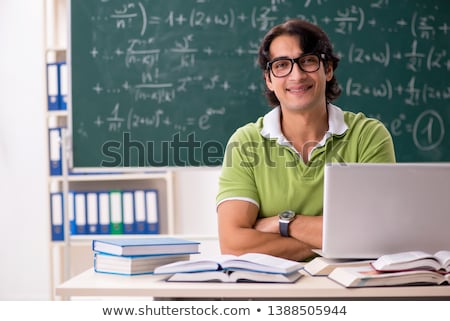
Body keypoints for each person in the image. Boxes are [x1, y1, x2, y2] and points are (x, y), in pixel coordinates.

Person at [216, 19, 396, 262]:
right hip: (271, 294)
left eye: (308, 61)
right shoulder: (245, 143)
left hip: (351, 292)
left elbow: (376, 236)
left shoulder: (368, 136)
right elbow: (233, 244)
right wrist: (331, 243)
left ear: (328, 69)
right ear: (269, 79)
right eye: (281, 65)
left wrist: (285, 223)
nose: (296, 75)